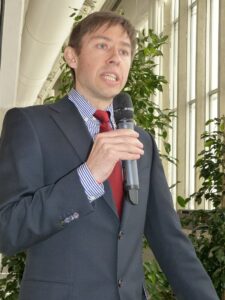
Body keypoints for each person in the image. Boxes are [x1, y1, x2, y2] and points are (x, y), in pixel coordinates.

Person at [0, 11, 219, 300]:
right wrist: (88, 177)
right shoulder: (30, 124)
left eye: (125, 51)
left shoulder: (141, 141)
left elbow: (170, 241)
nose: (115, 57)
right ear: (71, 57)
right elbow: (8, 230)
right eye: (102, 45)